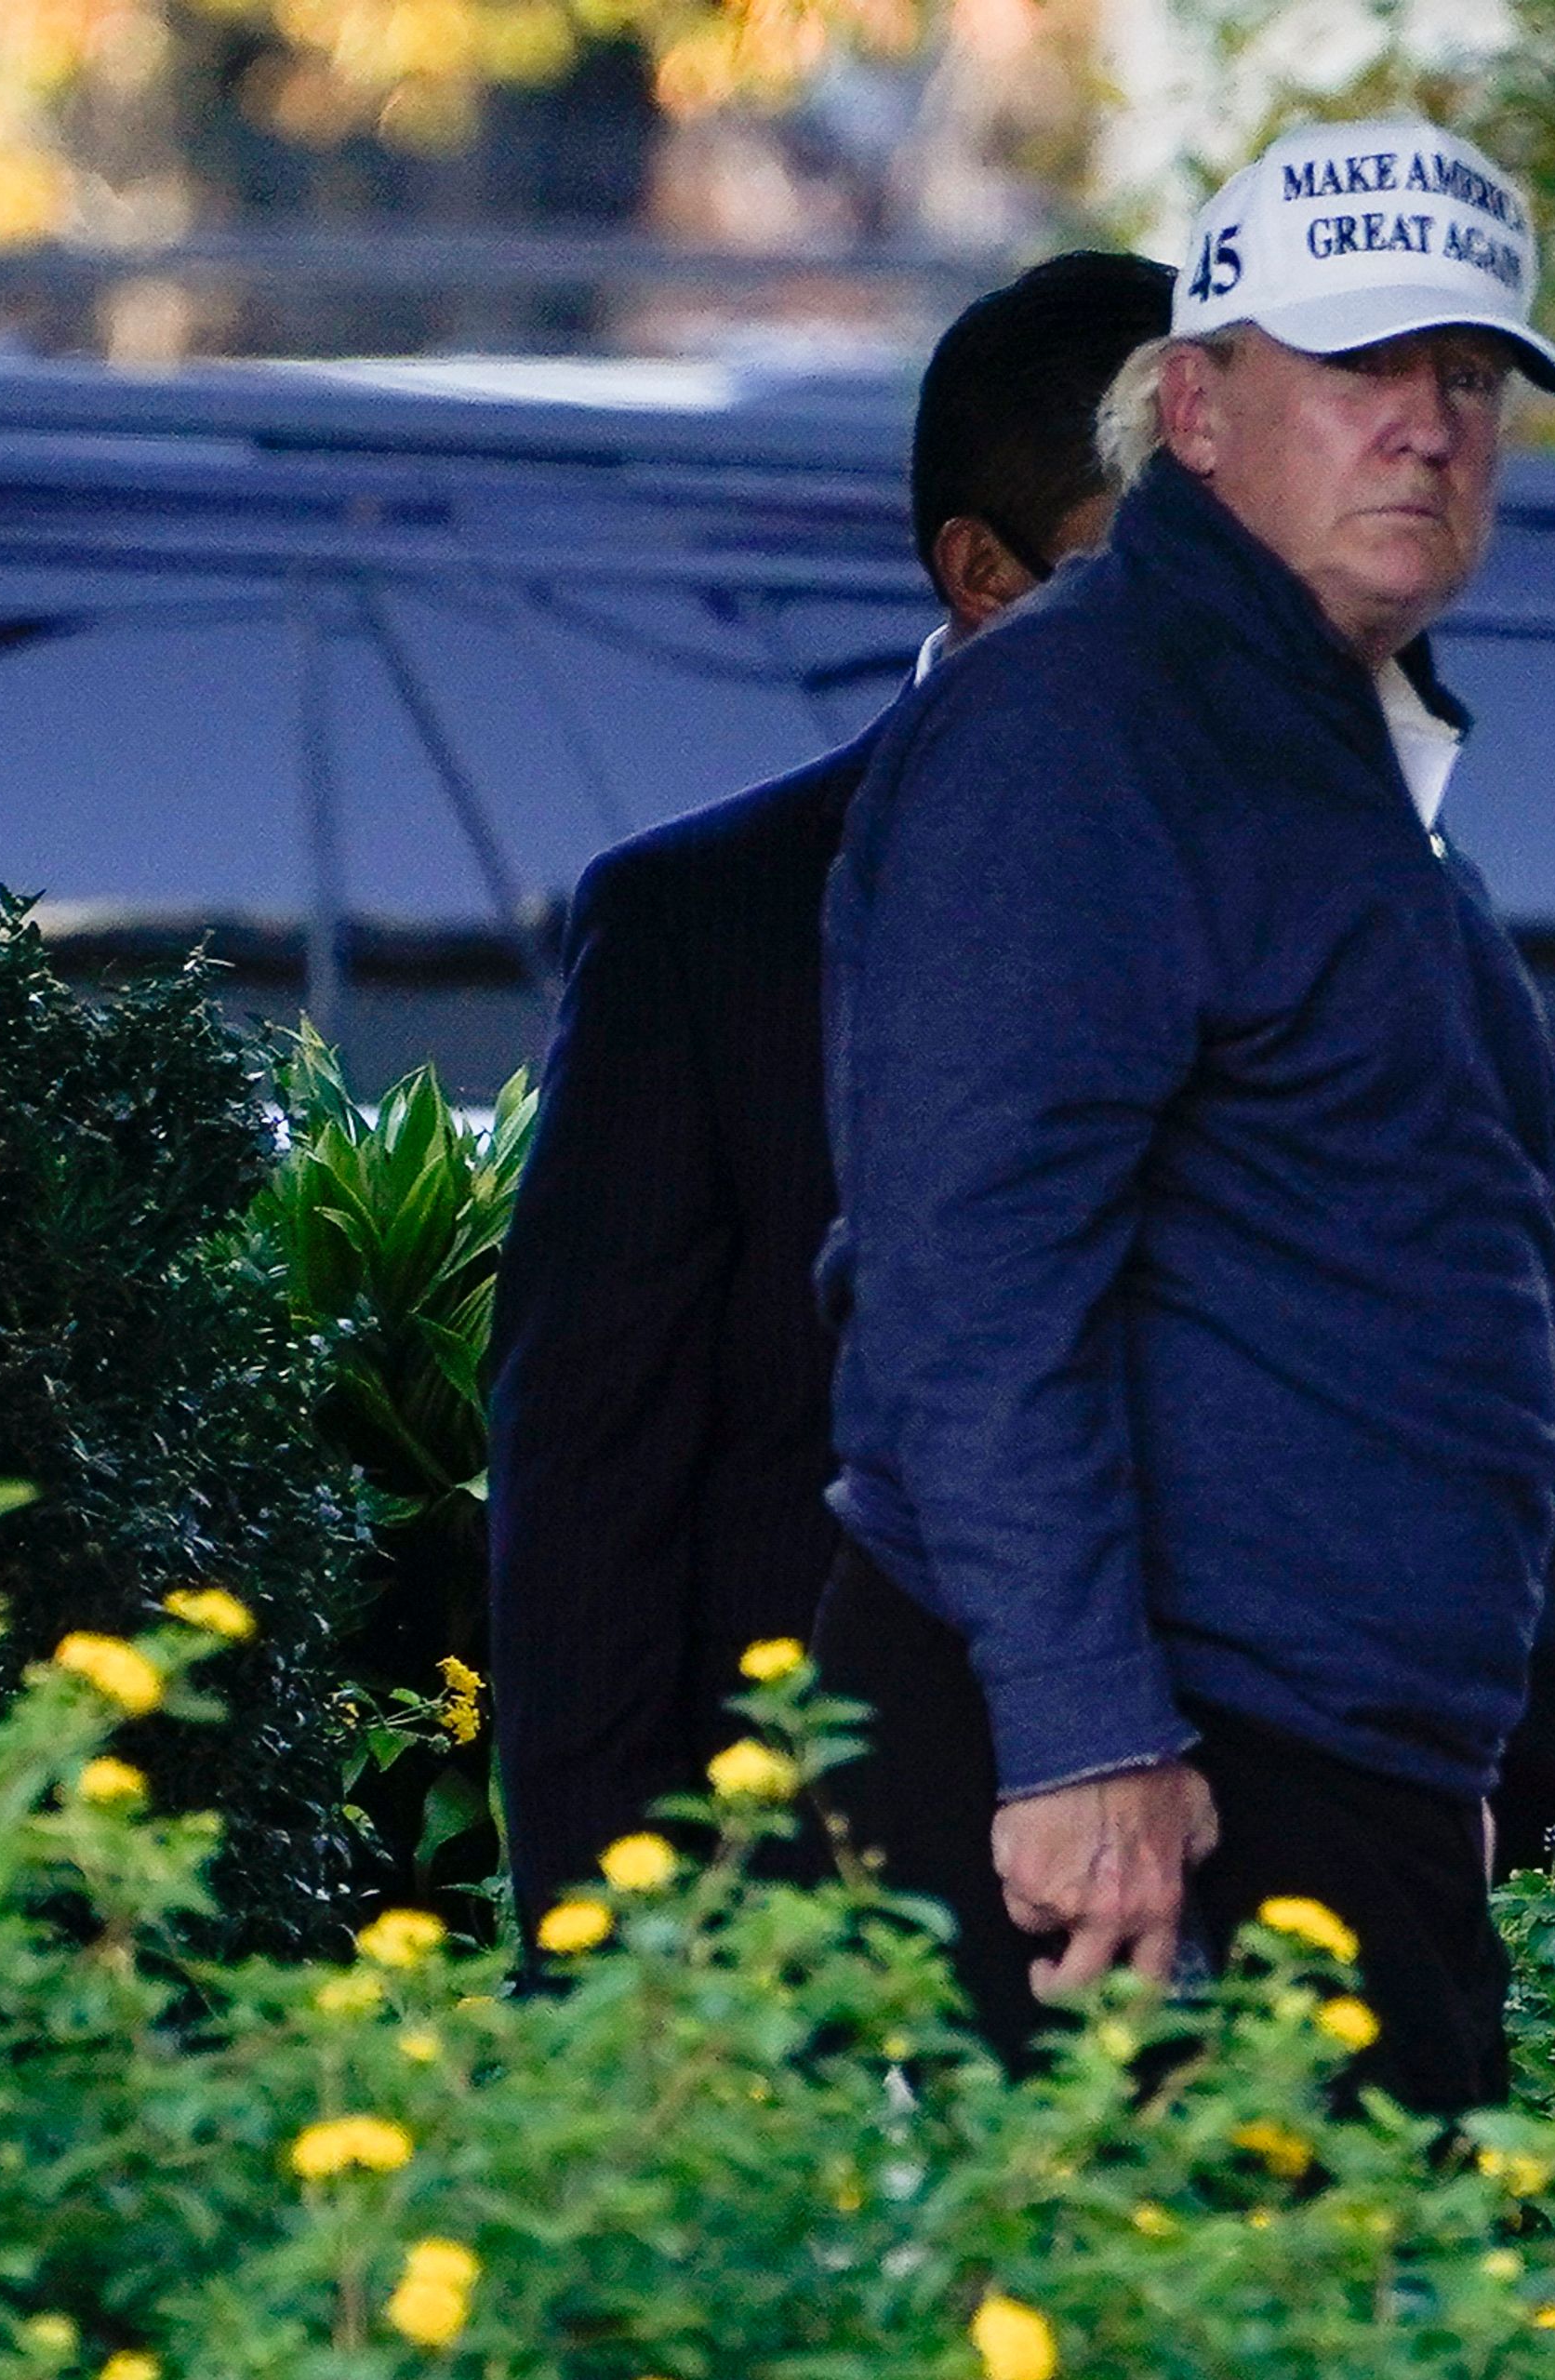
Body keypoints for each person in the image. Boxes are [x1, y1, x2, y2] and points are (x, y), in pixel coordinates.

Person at [817, 115, 1555, 2112]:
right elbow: (972, 1277)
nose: (1427, 425)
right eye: (1361, 364)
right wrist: (1082, 1746)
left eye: (1471, 375)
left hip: (1312, 1769)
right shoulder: (1082, 721)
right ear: (1197, 408)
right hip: (1155, 1790)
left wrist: (1423, 1757)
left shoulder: (1314, 728)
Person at [486, 251, 1176, 1935]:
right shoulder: (709, 925)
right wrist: (611, 1966)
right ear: (985, 577)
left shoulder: (1342, 868)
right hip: (824, 1903)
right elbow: (588, 1484)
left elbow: (1540, 1270)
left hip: (1238, 1871)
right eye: (1168, 565)